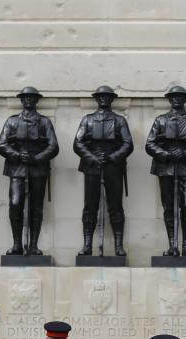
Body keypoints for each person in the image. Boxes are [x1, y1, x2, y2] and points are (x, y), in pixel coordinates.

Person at [144, 86, 186, 257]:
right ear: (169, 99)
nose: (177, 100)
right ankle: (173, 245)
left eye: (180, 97)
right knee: (169, 207)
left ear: (185, 99)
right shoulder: (161, 120)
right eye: (173, 97)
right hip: (166, 168)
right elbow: (149, 144)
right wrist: (165, 154)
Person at [0, 87, 59, 256]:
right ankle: (17, 244)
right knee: (16, 204)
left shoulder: (44, 122)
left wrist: (37, 158)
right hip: (17, 167)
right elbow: (2, 144)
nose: (29, 100)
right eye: (26, 98)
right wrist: (17, 155)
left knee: (36, 207)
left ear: (36, 100)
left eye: (32, 98)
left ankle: (33, 245)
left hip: (38, 168)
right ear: (22, 100)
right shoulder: (12, 121)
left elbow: (53, 146)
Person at [73, 85, 134, 256]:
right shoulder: (87, 120)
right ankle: (87, 245)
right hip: (92, 167)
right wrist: (91, 158)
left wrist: (112, 157)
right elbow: (78, 143)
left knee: (115, 206)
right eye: (101, 96)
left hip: (113, 167)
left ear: (112, 99)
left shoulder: (119, 120)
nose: (103, 99)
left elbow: (128, 144)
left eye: (107, 96)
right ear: (96, 98)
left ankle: (118, 246)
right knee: (90, 207)